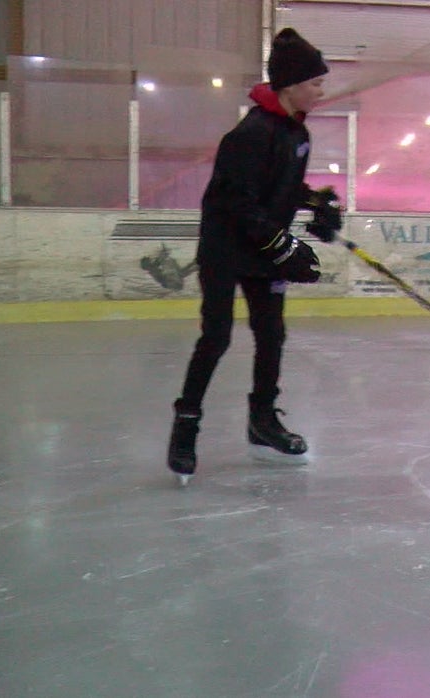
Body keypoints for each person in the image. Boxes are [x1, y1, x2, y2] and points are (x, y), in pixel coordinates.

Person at [167, 28, 343, 485]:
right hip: (226, 249)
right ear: (291, 85)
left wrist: (315, 203)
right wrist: (283, 245)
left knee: (271, 334)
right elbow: (237, 202)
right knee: (217, 336)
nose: (321, 91)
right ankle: (186, 425)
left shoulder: (296, 132)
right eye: (315, 82)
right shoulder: (249, 134)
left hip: (263, 247)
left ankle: (262, 420)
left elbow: (280, 185)